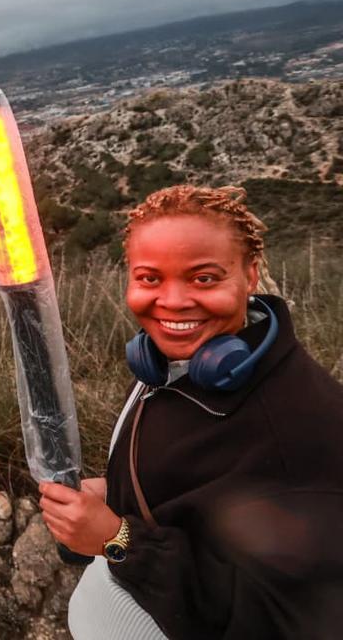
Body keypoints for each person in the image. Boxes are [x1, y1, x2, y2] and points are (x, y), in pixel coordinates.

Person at [39, 186, 343, 639]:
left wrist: (117, 541)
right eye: (149, 278)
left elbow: (266, 616)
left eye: (204, 278)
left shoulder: (301, 429)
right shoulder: (168, 364)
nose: (174, 302)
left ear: (250, 274)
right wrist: (114, 489)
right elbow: (199, 495)